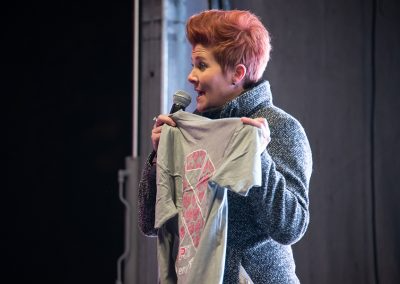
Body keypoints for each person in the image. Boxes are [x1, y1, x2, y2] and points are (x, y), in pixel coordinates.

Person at [138, 9, 313, 284]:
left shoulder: (280, 128)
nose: (191, 77)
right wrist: (158, 159)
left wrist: (257, 156)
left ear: (237, 73)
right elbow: (150, 224)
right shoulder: (192, 129)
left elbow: (291, 227)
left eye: (202, 65)